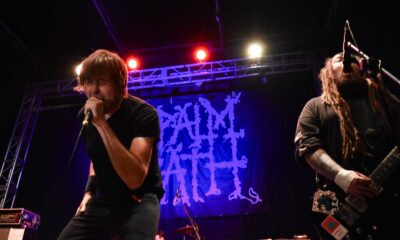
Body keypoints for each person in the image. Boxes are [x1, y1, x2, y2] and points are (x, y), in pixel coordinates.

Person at [58, 49, 164, 240]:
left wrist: (102, 124)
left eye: (102, 82)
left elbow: (135, 179)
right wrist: (89, 192)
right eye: (88, 82)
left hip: (138, 201)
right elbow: (96, 159)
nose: (94, 90)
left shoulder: (143, 114)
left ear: (120, 84)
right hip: (104, 201)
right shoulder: (85, 115)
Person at [295, 52, 400, 239]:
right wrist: (342, 176)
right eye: (339, 59)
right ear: (328, 72)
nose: (346, 61)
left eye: (353, 60)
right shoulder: (315, 106)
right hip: (334, 199)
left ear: (363, 68)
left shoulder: (386, 103)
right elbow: (307, 147)